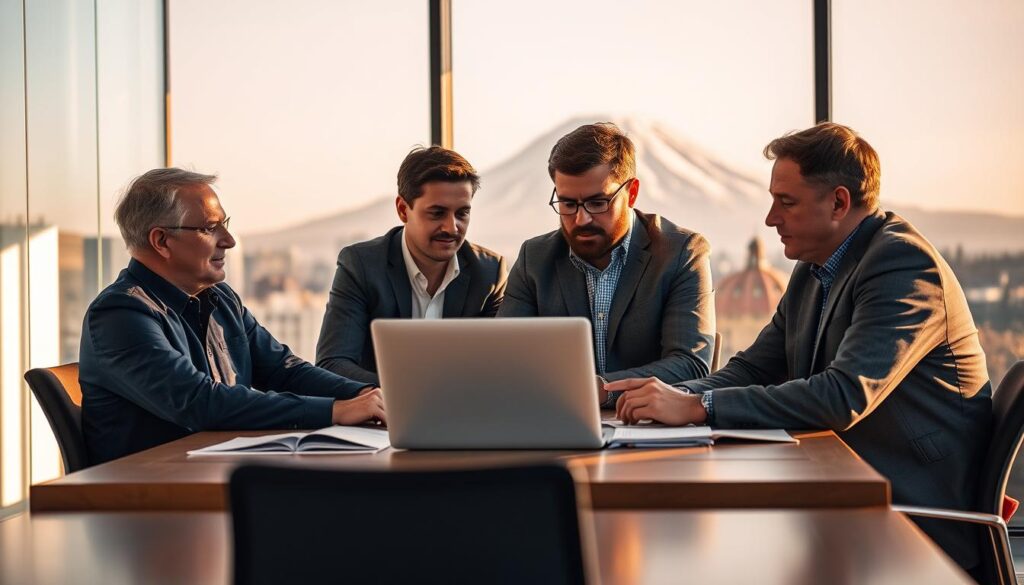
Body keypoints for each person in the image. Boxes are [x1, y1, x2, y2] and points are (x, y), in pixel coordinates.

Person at [608, 122, 992, 572]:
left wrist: (699, 407)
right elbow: (754, 366)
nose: (771, 219)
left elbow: (843, 395)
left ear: (839, 202)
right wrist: (663, 395)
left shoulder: (902, 265)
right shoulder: (816, 267)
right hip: (844, 489)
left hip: (912, 517)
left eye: (785, 203)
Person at [80, 168, 384, 465]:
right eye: (209, 228)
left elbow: (283, 370)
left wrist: (370, 397)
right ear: (161, 241)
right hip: (152, 492)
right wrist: (335, 410)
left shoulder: (221, 298)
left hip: (215, 473)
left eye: (224, 224)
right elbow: (200, 402)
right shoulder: (120, 314)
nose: (228, 239)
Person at [498, 122, 715, 405]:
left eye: (597, 203)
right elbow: (504, 359)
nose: (581, 219)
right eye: (567, 204)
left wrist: (600, 389)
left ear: (632, 193)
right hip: (557, 426)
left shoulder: (682, 253)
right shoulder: (535, 259)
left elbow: (690, 365)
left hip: (651, 433)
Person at [315, 146, 507, 385]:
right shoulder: (362, 265)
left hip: (461, 414)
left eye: (462, 213)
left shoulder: (489, 273)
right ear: (403, 210)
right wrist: (409, 393)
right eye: (437, 213)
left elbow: (499, 366)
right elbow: (332, 364)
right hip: (383, 417)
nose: (452, 227)